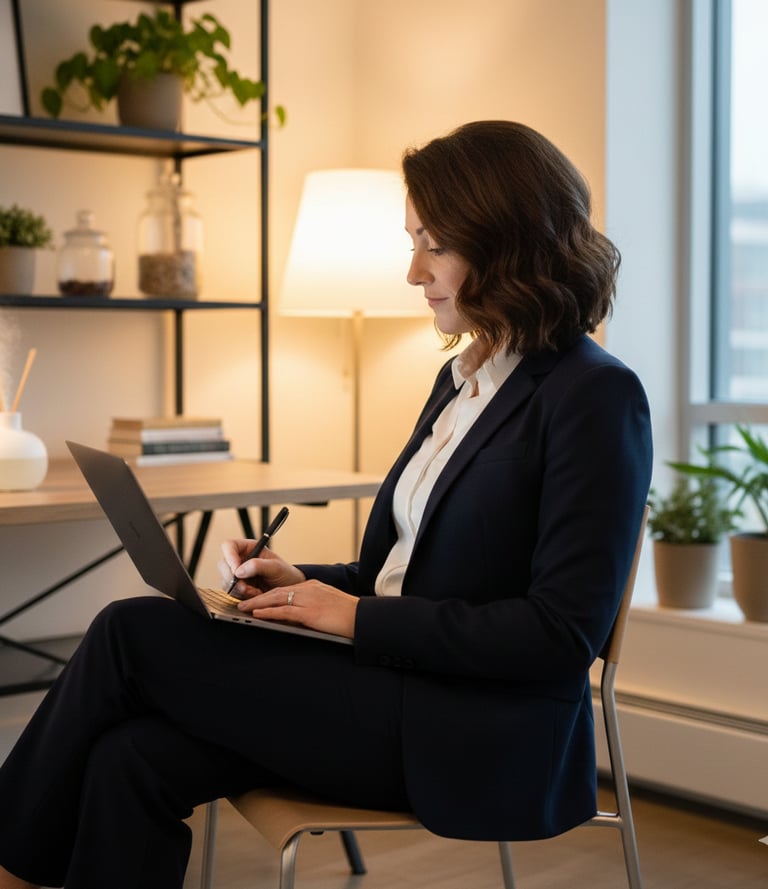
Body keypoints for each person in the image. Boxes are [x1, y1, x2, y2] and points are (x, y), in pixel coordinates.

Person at [0, 120, 652, 889]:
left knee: (128, 631)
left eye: (433, 244)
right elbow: (394, 574)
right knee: (128, 758)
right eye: (414, 242)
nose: (414, 272)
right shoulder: (464, 382)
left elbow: (558, 634)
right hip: (385, 684)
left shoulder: (595, 396)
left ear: (507, 238)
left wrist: (349, 617)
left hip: (473, 728)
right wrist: (296, 579)